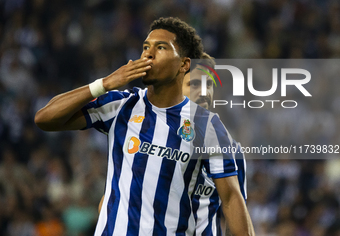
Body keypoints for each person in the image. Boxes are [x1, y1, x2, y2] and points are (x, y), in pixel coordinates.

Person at [35, 17, 254, 236]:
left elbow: (232, 200)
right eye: (146, 47)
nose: (148, 53)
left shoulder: (209, 127)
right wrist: (104, 84)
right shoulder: (121, 105)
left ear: (184, 64)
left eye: (161, 48)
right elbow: (45, 118)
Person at [183, 53, 247, 236]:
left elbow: (236, 218)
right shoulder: (152, 139)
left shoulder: (232, 150)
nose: (204, 91)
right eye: (194, 84)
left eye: (209, 84)